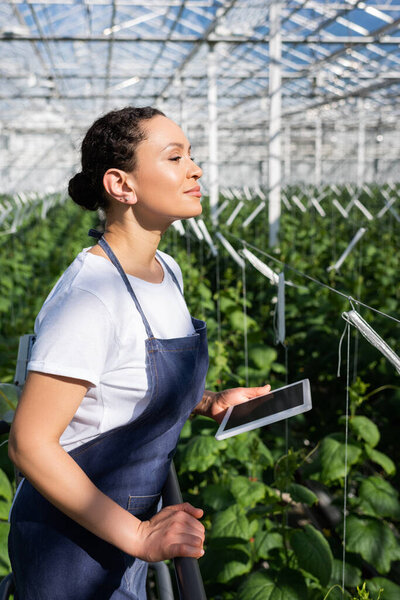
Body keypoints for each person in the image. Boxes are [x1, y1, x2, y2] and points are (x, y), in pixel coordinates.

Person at [8, 106, 270, 600]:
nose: (195, 169)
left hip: (127, 520)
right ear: (121, 186)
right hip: (71, 543)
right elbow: (30, 443)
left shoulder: (165, 270)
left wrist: (207, 400)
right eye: (175, 157)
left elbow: (124, 379)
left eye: (192, 156)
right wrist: (139, 535)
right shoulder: (90, 300)